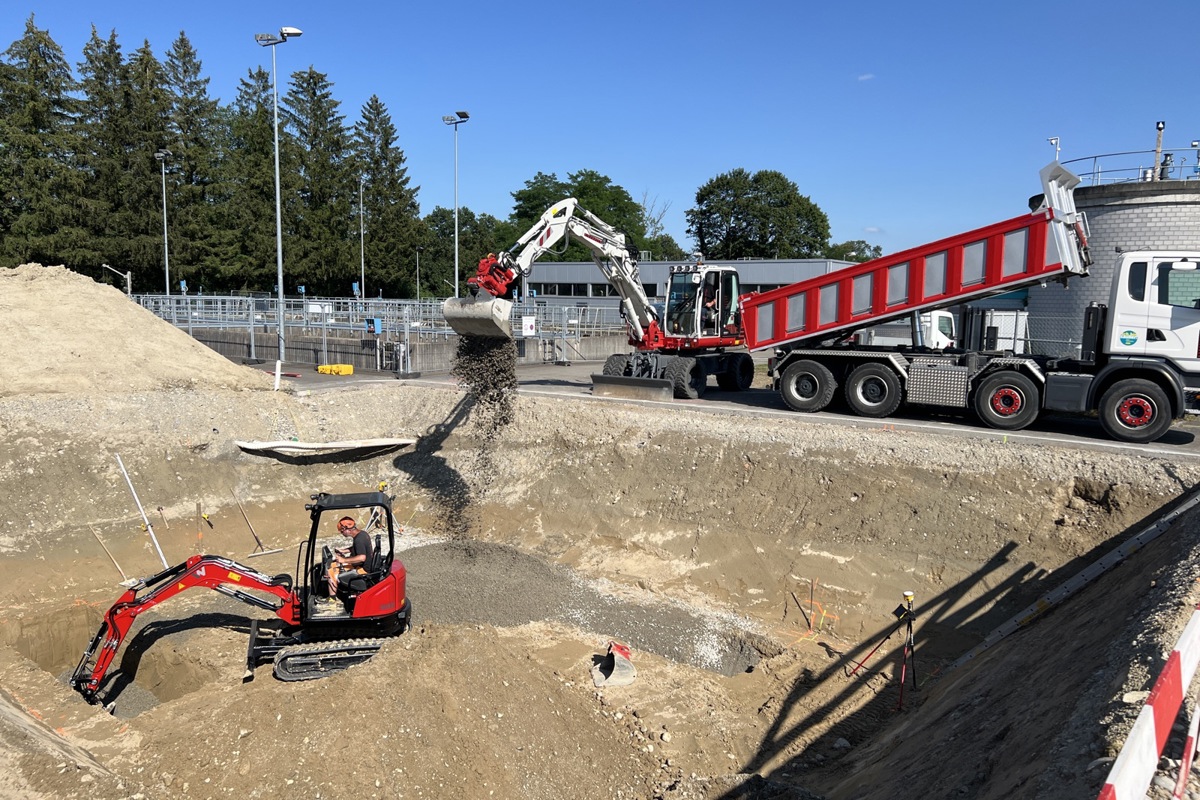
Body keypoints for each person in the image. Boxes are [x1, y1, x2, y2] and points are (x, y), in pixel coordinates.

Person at [326, 517, 373, 597]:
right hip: (361, 565)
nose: (342, 533)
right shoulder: (362, 534)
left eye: (341, 531)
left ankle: (332, 600)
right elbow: (357, 548)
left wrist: (343, 560)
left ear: (346, 529)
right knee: (333, 565)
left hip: (363, 570)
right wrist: (344, 550)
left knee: (331, 572)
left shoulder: (359, 540)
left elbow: (362, 558)